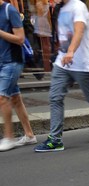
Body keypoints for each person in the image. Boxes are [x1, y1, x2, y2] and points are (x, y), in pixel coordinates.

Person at [35, 0, 89, 152]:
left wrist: (71, 51)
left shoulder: (78, 6)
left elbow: (79, 31)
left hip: (80, 63)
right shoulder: (61, 9)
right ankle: (55, 139)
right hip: (63, 63)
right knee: (55, 97)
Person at [0, 0, 37, 152]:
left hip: (12, 61)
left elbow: (20, 39)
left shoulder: (10, 10)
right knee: (15, 98)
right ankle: (29, 135)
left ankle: (9, 137)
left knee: (2, 98)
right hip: (2, 62)